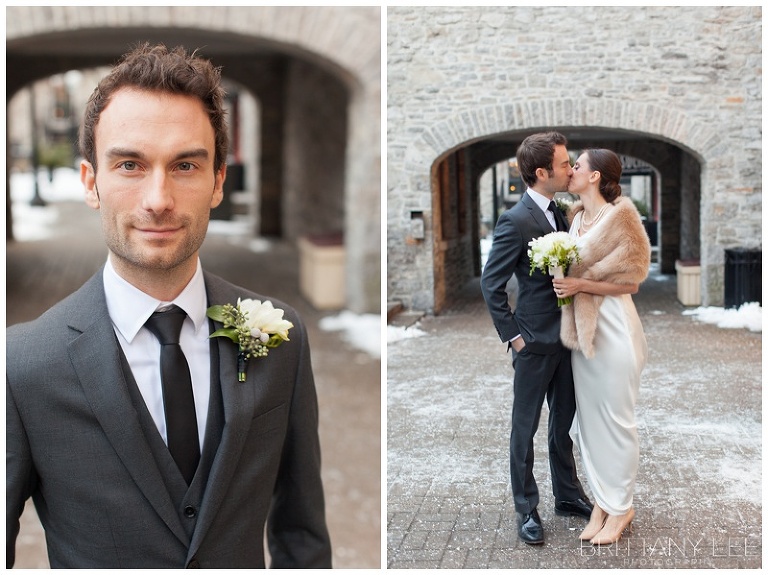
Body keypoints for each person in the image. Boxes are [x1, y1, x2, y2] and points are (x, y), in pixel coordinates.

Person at [6, 43, 332, 568]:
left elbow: (302, 534)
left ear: (218, 181)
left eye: (184, 165)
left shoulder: (281, 337)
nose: (158, 199)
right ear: (91, 181)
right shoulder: (22, 366)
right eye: (131, 164)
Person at [480, 131, 592, 545]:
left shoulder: (560, 213)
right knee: (523, 429)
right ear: (541, 171)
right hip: (532, 343)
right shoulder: (515, 219)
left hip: (565, 341)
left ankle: (567, 496)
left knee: (563, 425)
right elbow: (491, 285)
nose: (569, 169)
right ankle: (527, 507)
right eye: (564, 164)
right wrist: (514, 339)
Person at [553, 148, 650, 545]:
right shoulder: (575, 217)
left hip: (615, 330)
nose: (571, 169)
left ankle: (622, 506)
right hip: (583, 334)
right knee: (590, 422)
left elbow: (633, 283)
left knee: (617, 420)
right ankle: (602, 502)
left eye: (577, 165)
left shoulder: (623, 216)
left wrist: (580, 285)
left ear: (595, 176)